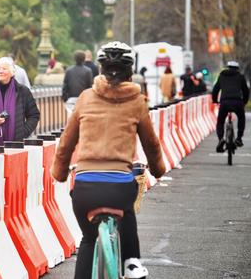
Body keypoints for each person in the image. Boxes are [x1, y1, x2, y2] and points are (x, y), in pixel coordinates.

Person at [51, 41, 165, 279]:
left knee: (89, 238)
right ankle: (132, 263)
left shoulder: (85, 98)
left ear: (100, 69)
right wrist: (158, 169)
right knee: (128, 207)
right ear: (129, 70)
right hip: (119, 187)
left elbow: (65, 144)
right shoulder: (138, 101)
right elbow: (151, 145)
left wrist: (60, 173)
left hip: (85, 187)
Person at [212, 61, 250, 151]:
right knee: (241, 118)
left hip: (224, 102)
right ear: (237, 68)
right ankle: (239, 138)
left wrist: (215, 101)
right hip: (237, 102)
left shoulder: (221, 76)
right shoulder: (241, 77)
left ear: (228, 67)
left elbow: (215, 89)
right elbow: (246, 91)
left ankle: (221, 139)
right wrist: (244, 102)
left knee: (220, 121)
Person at [62, 50, 93, 118]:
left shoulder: (69, 71)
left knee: (70, 118)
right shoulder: (88, 71)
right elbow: (90, 86)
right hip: (84, 99)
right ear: (84, 58)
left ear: (74, 59)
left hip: (71, 99)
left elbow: (65, 85)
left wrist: (65, 98)